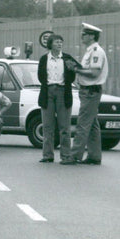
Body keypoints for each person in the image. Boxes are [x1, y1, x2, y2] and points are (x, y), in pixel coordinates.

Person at [69, 23, 108, 165]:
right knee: (92, 125)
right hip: (88, 90)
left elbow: (94, 72)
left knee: (83, 124)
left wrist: (76, 70)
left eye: (84, 34)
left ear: (91, 36)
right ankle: (94, 156)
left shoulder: (96, 51)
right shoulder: (89, 51)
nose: (82, 36)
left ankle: (74, 156)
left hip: (91, 90)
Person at [37, 33, 80, 163]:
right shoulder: (44, 59)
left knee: (64, 127)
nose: (59, 44)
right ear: (50, 44)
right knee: (48, 126)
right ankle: (47, 155)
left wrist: (65, 83)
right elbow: (41, 76)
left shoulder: (67, 58)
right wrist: (48, 85)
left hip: (63, 91)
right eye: (56, 42)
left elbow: (74, 72)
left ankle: (66, 155)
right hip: (48, 92)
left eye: (61, 42)